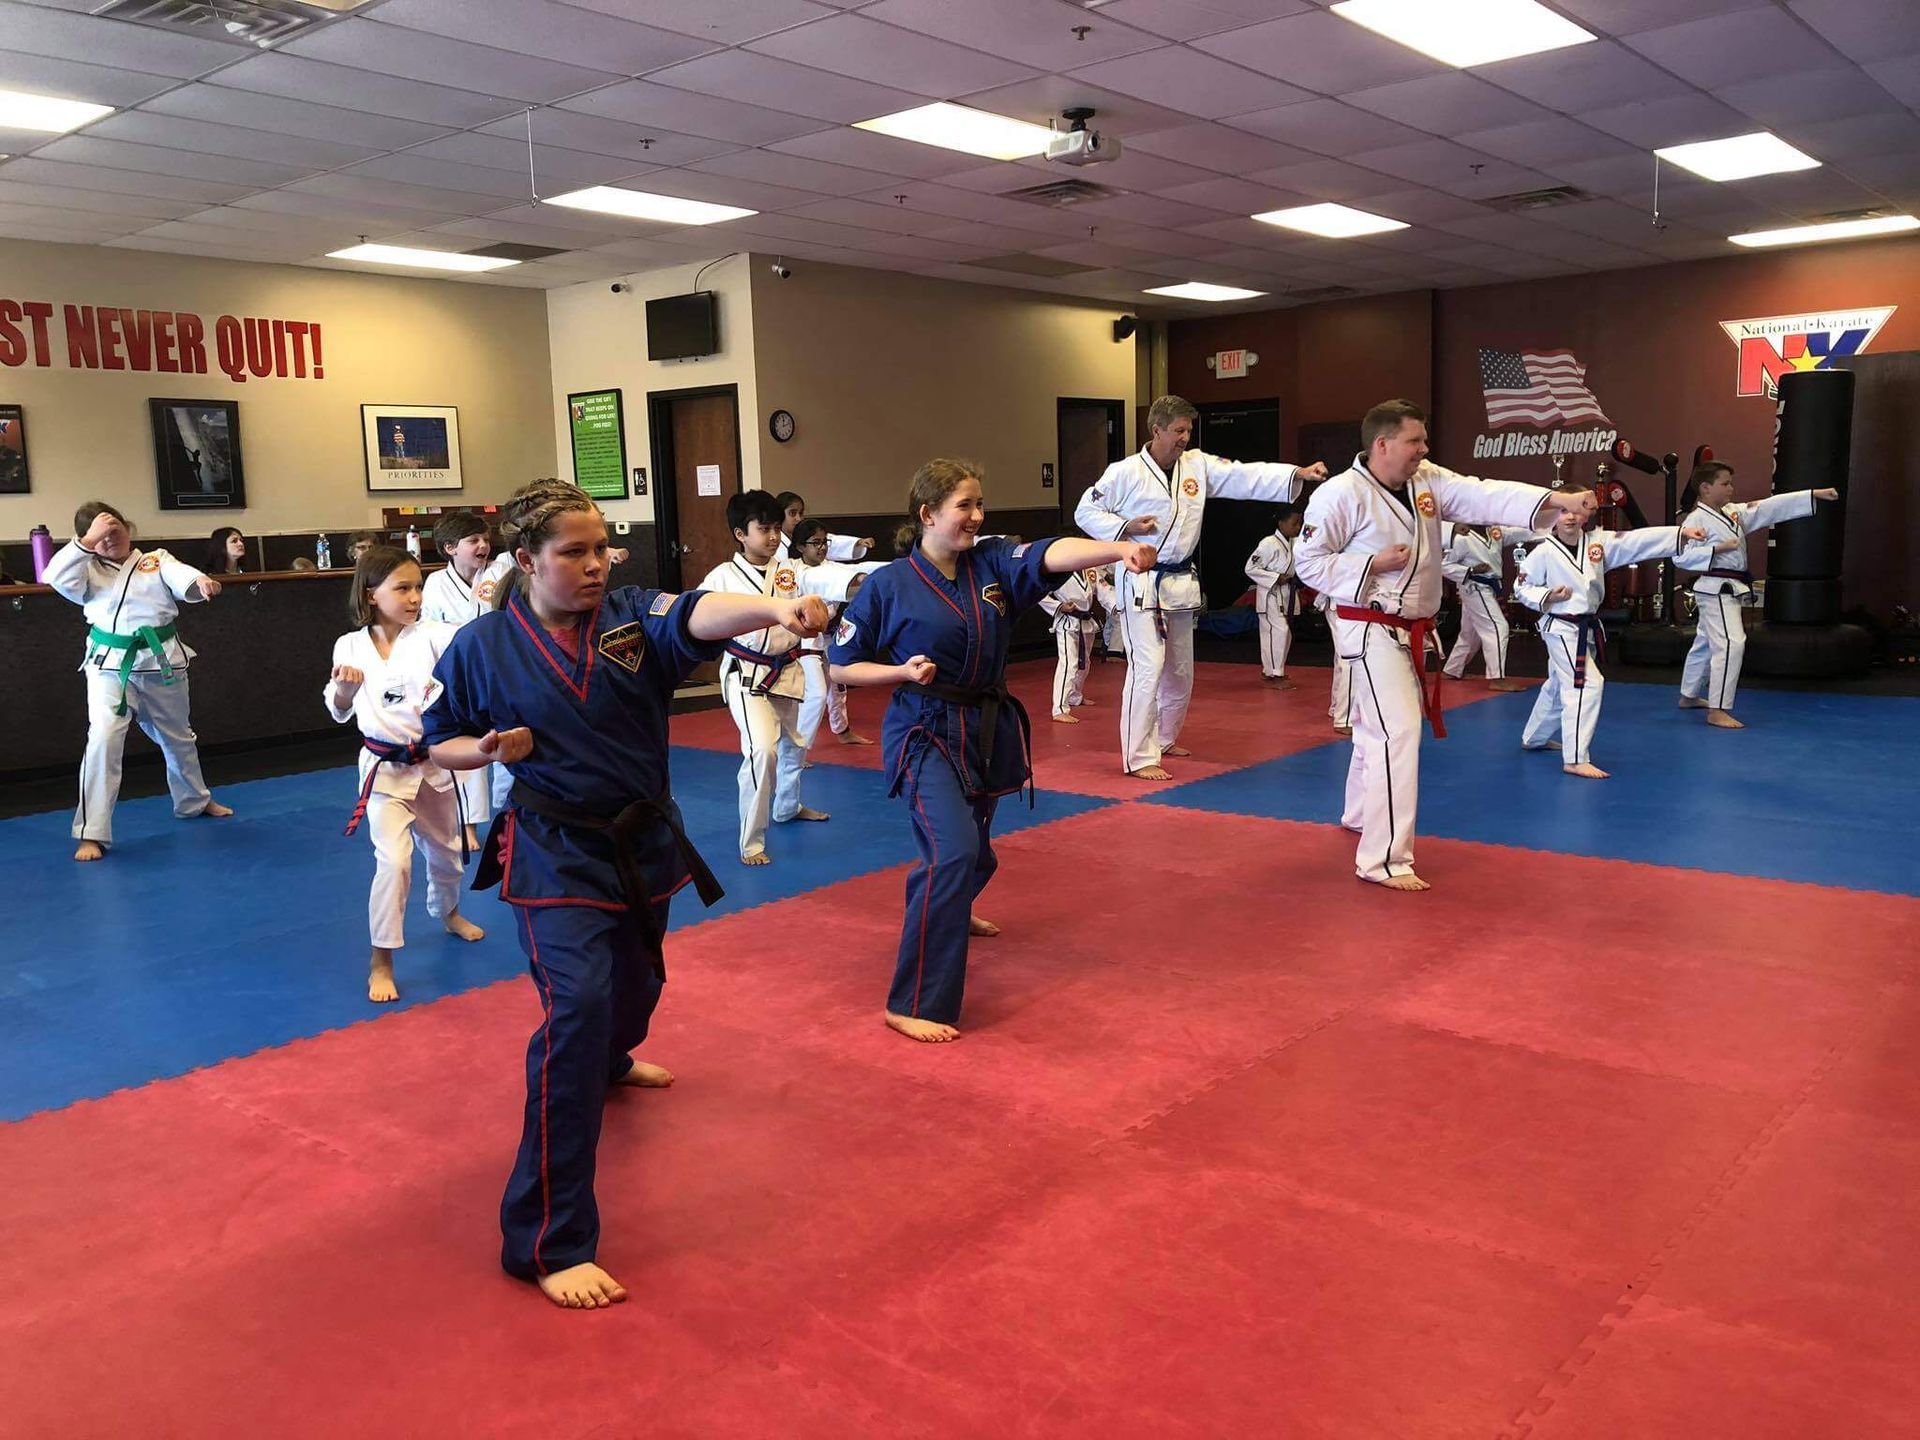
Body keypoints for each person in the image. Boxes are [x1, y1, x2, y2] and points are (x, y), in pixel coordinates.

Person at [423, 478, 827, 1310]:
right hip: (551, 850)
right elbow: (443, 740)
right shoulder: (482, 647)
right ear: (526, 561)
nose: (596, 564)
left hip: (641, 842)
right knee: (575, 1011)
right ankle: (546, 1240)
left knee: (636, 988)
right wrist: (486, 750)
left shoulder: (632, 618)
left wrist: (770, 614)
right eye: (574, 552)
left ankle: (613, 1055)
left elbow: (699, 612)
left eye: (603, 547)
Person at [829, 458, 1155, 1043]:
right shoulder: (887, 585)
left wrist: (1114, 548)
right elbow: (841, 667)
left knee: (977, 856)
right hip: (924, 731)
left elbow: (1050, 554)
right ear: (928, 515)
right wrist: (900, 671)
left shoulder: (992, 563)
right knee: (951, 854)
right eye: (965, 506)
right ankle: (914, 1000)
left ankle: (950, 908)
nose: (977, 517)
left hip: (982, 725)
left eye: (980, 505)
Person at [1293, 400, 1595, 891]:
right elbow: (1308, 564)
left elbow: (1482, 496)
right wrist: (1371, 563)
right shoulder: (1338, 495)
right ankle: (1383, 860)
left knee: (1377, 730)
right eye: (1415, 441)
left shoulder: (1425, 480)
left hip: (1410, 626)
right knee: (1400, 731)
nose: (1424, 449)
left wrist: (1556, 499)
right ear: (1382, 444)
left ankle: (1358, 815)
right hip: (1366, 623)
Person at [1076, 394, 1328, 779]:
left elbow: (1243, 476)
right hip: (1141, 579)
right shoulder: (1124, 472)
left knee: (1180, 669)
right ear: (1156, 429)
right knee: (1148, 667)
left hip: (1179, 580)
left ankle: (1165, 737)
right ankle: (1139, 756)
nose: (1184, 438)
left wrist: (1296, 473)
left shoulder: (1197, 465)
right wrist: (1124, 529)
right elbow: (1085, 510)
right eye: (1178, 430)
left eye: (1188, 430)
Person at [326, 546, 483, 1002]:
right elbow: (337, 708)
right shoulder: (349, 645)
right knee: (393, 862)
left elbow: (475, 639)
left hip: (432, 766)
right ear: (372, 593)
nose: (414, 597)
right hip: (383, 772)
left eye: (417, 587)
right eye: (402, 588)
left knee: (447, 854)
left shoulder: (434, 636)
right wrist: (343, 691)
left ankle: (448, 911)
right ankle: (382, 959)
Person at [43, 500, 234, 861]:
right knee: (102, 739)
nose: (109, 540)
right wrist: (86, 543)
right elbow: (52, 577)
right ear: (87, 542)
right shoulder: (84, 570)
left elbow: (182, 577)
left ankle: (194, 801)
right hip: (109, 669)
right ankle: (91, 832)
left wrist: (201, 582)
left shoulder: (156, 560)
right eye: (100, 537)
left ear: (128, 528)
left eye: (115, 530)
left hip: (161, 663)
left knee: (178, 736)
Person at [698, 492, 838, 865]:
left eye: (777, 528)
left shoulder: (791, 571)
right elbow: (696, 621)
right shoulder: (721, 578)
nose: (774, 536)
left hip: (788, 670)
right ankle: (752, 842)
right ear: (740, 533)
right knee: (763, 750)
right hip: (747, 675)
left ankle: (788, 807)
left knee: (794, 744)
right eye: (764, 529)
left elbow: (828, 581)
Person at [1514, 512, 1706, 778]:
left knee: (1559, 684)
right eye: (1563, 512)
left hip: (1586, 627)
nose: (1570, 518)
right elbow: (1522, 588)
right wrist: (1548, 595)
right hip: (1561, 627)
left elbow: (1635, 541)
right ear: (1553, 519)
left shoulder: (1597, 544)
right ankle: (1575, 758)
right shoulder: (1543, 552)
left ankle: (1533, 738)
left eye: (1575, 511)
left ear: (1585, 515)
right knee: (1585, 685)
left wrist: (1679, 533)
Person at [1675, 461, 1839, 729]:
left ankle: (1689, 694)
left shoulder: (1733, 513)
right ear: (1705, 488)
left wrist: (1812, 494)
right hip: (1716, 589)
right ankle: (1717, 709)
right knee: (1731, 643)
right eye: (1724, 483)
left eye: (1731, 482)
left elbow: (1767, 507)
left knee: (1705, 642)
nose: (1731, 488)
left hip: (1729, 587)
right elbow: (1680, 558)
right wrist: (1715, 550)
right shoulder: (1695, 521)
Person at [422, 511, 516, 848]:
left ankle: (510, 815)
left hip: (503, 669)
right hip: (461, 673)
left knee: (508, 742)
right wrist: (466, 636)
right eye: (473, 540)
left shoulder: (502, 570)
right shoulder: (435, 584)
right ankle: (468, 825)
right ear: (450, 548)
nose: (483, 545)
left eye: (485, 538)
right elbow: (429, 630)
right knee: (473, 748)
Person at [1439, 523, 1526, 692]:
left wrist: (1550, 527)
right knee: (1498, 628)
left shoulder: (1495, 532)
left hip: (1488, 587)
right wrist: (1470, 570)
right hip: (1475, 587)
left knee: (1469, 634)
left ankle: (1452, 670)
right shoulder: (1462, 538)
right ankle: (1497, 678)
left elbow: (1521, 533)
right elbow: (1443, 565)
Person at [1246, 505, 1305, 688]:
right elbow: (1250, 568)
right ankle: (1276, 674)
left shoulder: (1295, 543)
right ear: (1281, 523)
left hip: (1286, 593)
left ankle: (1270, 671)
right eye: (1294, 523)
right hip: (1270, 593)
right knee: (1279, 631)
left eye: (1299, 524)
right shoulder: (1268, 543)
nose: (1297, 527)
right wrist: (1275, 577)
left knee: (1278, 633)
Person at [1039, 566, 1101, 722]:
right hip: (1067, 622)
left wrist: (1117, 606)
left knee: (1084, 662)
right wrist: (1059, 606)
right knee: (1069, 663)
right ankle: (1059, 708)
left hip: (1086, 621)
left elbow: (1102, 588)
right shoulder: (1057, 569)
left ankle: (1075, 696)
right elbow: (1038, 593)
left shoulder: (1090, 568)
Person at [774, 490, 873, 562]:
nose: (798, 518)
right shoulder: (774, 546)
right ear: (779, 514)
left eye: (801, 513)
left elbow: (830, 542)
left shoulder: (805, 533)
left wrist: (857, 543)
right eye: (792, 513)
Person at [1314, 589, 1352, 735]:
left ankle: (1337, 708)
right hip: (1342, 603)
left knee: (1343, 657)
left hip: (1342, 602)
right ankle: (1344, 718)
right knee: (1350, 659)